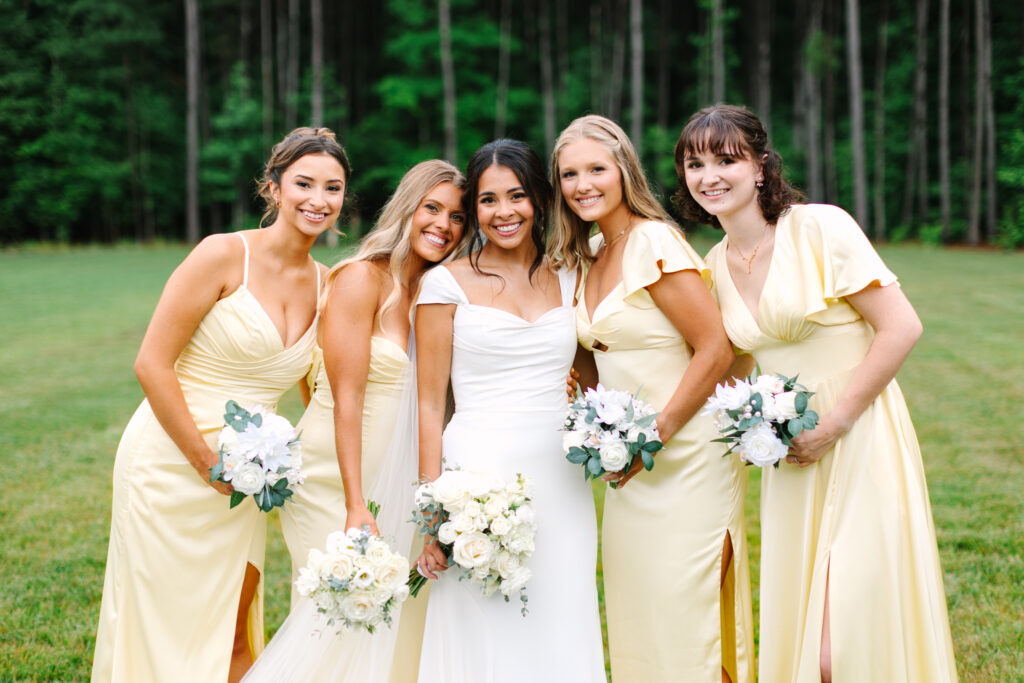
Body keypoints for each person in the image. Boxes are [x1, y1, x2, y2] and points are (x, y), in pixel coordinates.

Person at [675, 103, 958, 683]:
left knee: (843, 643)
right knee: (807, 629)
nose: (710, 176)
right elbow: (732, 364)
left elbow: (901, 327)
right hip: (793, 455)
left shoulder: (818, 227)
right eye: (695, 163)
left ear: (760, 167)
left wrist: (836, 423)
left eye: (727, 159)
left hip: (859, 436)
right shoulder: (712, 267)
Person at [91, 127, 348, 683]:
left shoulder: (329, 286)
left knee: (233, 623)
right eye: (303, 183)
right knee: (158, 617)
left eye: (332, 188)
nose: (317, 200)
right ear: (274, 187)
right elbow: (151, 363)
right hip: (170, 461)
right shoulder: (222, 254)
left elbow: (321, 396)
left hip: (250, 474)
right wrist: (205, 462)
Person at [549, 114, 754, 683]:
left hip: (684, 457)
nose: (583, 184)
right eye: (569, 174)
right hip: (629, 468)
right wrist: (581, 393)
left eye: (597, 169)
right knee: (638, 611)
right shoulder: (590, 253)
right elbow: (601, 355)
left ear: (624, 171)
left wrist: (655, 435)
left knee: (687, 615)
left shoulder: (652, 241)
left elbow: (714, 349)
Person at [261, 160, 467, 682]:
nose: (444, 224)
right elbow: (344, 397)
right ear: (408, 208)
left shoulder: (440, 294)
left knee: (395, 617)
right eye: (433, 208)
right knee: (338, 617)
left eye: (459, 217)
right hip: (336, 480)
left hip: (401, 482)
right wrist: (355, 503)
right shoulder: (362, 278)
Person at [414, 139, 606, 682]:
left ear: (540, 201)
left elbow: (592, 379)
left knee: (560, 612)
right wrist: (433, 509)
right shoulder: (444, 284)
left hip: (560, 477)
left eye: (517, 196)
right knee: (483, 622)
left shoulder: (572, 275)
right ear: (474, 208)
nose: (504, 212)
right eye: (488, 200)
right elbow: (430, 404)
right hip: (477, 474)